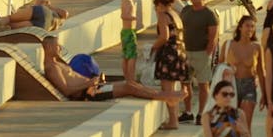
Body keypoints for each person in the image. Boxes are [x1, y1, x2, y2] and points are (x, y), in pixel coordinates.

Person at [43, 36, 185, 104]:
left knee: (131, 83)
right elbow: (67, 90)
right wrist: (89, 83)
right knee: (129, 87)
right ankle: (165, 96)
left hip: (94, 87)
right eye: (57, 46)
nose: (60, 48)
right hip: (90, 93)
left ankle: (165, 94)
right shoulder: (52, 68)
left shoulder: (56, 64)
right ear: (49, 48)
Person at [182, 0, 220, 125]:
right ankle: (187, 112)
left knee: (203, 84)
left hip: (201, 53)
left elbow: (213, 36)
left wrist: (207, 53)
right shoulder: (186, 10)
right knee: (185, 83)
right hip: (186, 52)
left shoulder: (209, 14)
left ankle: (201, 113)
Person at [153, 0, 190, 129]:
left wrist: (152, 47)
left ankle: (173, 120)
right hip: (180, 52)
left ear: (161, 5)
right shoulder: (176, 15)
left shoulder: (163, 16)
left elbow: (164, 37)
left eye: (156, 7)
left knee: (167, 88)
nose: (156, 11)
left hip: (169, 54)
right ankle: (173, 120)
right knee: (172, 86)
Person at [220, 15, 264, 127]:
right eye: (247, 26)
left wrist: (265, 94)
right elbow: (219, 68)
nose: (250, 29)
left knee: (245, 124)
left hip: (249, 86)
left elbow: (261, 72)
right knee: (230, 125)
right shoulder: (228, 45)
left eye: (252, 26)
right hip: (230, 85)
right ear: (240, 27)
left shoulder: (257, 47)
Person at [120, 0, 146, 83]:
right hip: (129, 32)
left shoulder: (127, 0)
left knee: (126, 55)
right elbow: (124, 16)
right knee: (132, 56)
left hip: (127, 31)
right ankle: (130, 78)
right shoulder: (128, 1)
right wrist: (133, 18)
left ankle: (128, 78)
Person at [0, 0, 69, 31]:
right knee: (11, 26)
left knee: (10, 18)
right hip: (43, 26)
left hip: (42, 12)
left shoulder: (53, 12)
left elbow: (65, 13)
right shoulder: (55, 26)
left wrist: (49, 6)